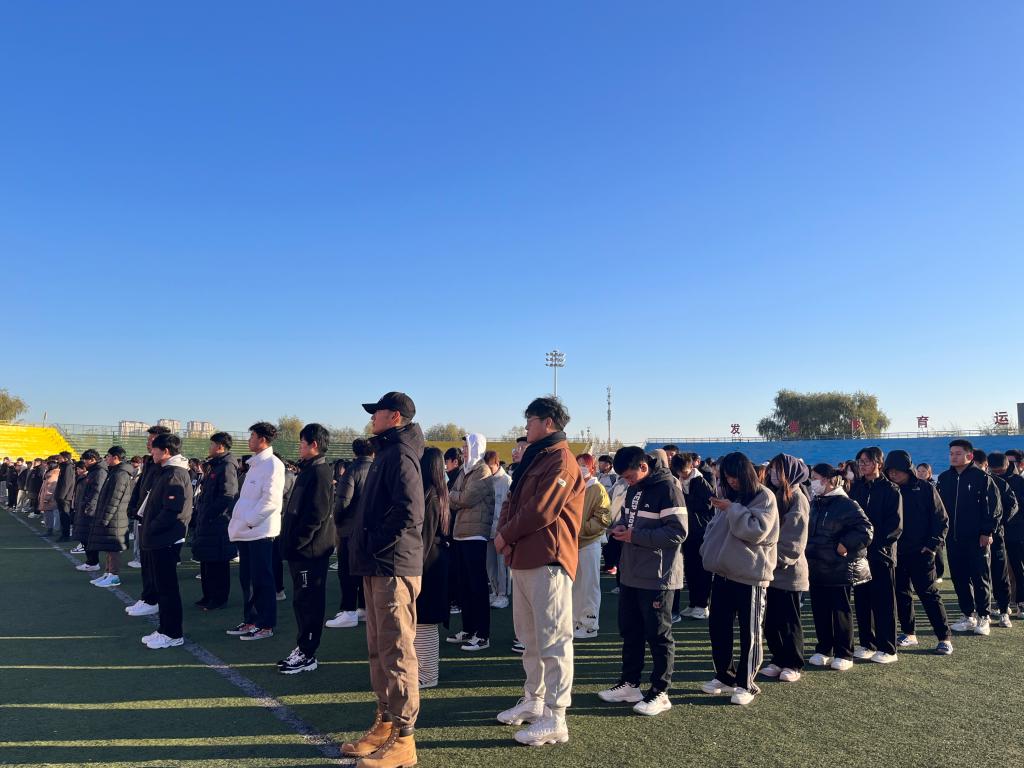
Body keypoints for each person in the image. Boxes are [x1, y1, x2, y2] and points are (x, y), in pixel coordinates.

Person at [493, 396, 584, 746]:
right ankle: (534, 699)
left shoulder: (561, 460)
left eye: (530, 420)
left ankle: (556, 717)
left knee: (554, 640)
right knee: (530, 639)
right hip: (524, 558)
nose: (525, 426)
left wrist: (505, 536)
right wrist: (505, 536)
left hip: (548, 560)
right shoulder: (536, 457)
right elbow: (512, 501)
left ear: (548, 422)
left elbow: (541, 510)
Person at [342, 392, 424, 768]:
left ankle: (404, 739)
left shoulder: (401, 453)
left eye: (377, 412)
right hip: (378, 565)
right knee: (379, 650)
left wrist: (374, 542)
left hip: (393, 566)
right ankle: (386, 723)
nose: (371, 417)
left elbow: (410, 511)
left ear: (394, 417)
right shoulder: (387, 451)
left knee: (396, 651)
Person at [597, 446, 685, 715]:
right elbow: (630, 519)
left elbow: (678, 532)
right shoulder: (634, 488)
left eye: (629, 476)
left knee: (658, 635)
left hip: (658, 576)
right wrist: (622, 527)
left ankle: (660, 691)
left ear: (644, 467)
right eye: (623, 477)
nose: (626, 481)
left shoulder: (669, 489)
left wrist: (634, 535)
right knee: (630, 630)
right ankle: (630, 683)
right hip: (631, 571)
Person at [698, 452, 778, 706]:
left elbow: (756, 531)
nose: (731, 481)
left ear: (746, 474)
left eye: (734, 476)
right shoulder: (730, 497)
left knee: (750, 633)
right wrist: (707, 547)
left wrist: (731, 508)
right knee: (718, 628)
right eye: (726, 477)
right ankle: (724, 675)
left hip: (750, 576)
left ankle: (746, 683)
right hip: (723, 573)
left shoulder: (764, 497)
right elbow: (715, 527)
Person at [278, 423, 336, 674]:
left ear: (314, 444)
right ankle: (303, 647)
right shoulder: (308, 470)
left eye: (302, 443)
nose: (299, 447)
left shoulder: (320, 472)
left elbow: (317, 514)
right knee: (301, 601)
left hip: (310, 552)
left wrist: (299, 542)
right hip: (301, 550)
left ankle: (308, 652)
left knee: (309, 602)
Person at [805, 463, 873, 671]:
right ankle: (824, 648)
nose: (812, 482)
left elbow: (866, 529)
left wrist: (845, 544)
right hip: (817, 566)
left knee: (840, 611)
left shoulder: (846, 504)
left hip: (839, 567)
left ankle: (844, 652)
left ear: (826, 480)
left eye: (815, 478)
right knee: (820, 610)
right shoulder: (816, 503)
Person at [883, 450, 952, 655]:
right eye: (890, 470)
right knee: (901, 594)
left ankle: (944, 638)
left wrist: (932, 545)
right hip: (895, 552)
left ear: (907, 469)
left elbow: (941, 519)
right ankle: (909, 633)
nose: (893, 474)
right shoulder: (888, 489)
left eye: (897, 470)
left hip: (921, 552)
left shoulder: (925, 488)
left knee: (929, 594)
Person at [226, 422, 286, 641]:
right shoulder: (256, 464)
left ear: (262, 439)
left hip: (260, 532)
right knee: (247, 579)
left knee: (262, 579)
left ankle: (266, 624)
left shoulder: (273, 465)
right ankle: (251, 620)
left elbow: (271, 501)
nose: (249, 440)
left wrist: (250, 521)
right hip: (247, 532)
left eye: (252, 436)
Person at [937, 439, 1001, 636]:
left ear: (969, 455)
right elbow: (939, 509)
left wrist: (987, 532)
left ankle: (984, 616)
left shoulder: (982, 478)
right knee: (959, 578)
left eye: (958, 453)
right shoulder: (945, 478)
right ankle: (968, 615)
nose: (953, 457)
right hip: (953, 539)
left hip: (977, 539)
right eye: (951, 453)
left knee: (980, 577)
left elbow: (993, 508)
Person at [138, 433, 193, 649]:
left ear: (166, 451)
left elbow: (172, 510)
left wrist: (152, 527)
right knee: (162, 588)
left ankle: (173, 633)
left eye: (155, 448)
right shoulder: (166, 471)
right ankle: (164, 629)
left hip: (165, 539)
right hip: (159, 538)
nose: (151, 451)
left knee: (168, 589)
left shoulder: (175, 473)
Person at [849, 447, 903, 664]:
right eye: (860, 462)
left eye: (867, 461)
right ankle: (867, 643)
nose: (862, 465)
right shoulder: (856, 488)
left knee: (884, 602)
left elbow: (895, 526)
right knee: (862, 600)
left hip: (882, 554)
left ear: (879, 463)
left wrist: (873, 544)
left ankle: (888, 648)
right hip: (859, 555)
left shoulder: (891, 489)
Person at [760, 454, 810, 683]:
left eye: (777, 470)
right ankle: (778, 658)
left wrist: (774, 560)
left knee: (789, 621)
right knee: (771, 621)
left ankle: (793, 663)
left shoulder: (797, 498)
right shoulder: (773, 495)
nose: (772, 474)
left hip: (788, 572)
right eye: (772, 469)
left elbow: (794, 541)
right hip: (770, 570)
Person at [446, 433, 495, 652]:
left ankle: (482, 635)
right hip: (460, 533)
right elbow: (453, 495)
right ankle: (468, 629)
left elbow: (464, 498)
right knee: (463, 585)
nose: (463, 451)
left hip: (475, 535)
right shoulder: (466, 471)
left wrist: (455, 496)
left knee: (477, 586)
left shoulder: (482, 471)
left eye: (466, 447)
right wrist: (456, 496)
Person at [124, 425, 172, 617]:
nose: (148, 443)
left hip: (154, 520)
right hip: (143, 516)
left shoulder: (166, 466)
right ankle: (147, 597)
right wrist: (133, 506)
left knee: (154, 564)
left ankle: (153, 599)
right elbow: (140, 487)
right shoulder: (149, 462)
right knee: (145, 560)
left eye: (152, 440)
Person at [326, 438, 373, 629]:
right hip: (370, 529)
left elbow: (342, 502)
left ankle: (349, 611)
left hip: (350, 530)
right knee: (363, 572)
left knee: (347, 571)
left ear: (354, 452)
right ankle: (363, 608)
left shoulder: (352, 471)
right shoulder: (378, 469)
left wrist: (338, 521)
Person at [415, 447, 451, 689]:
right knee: (424, 622)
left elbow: (425, 538)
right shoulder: (440, 493)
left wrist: (414, 569)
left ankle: (427, 675)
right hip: (436, 561)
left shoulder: (430, 497)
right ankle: (424, 671)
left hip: (429, 565)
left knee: (425, 622)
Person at [192, 432, 239, 611]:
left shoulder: (227, 466)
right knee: (207, 561)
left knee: (218, 563)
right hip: (207, 521)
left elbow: (228, 495)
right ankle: (208, 596)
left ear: (220, 446)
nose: (209, 447)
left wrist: (210, 514)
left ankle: (218, 599)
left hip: (218, 523)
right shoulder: (214, 465)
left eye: (212, 444)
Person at [672, 452, 714, 620]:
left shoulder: (701, 481)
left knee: (701, 569)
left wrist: (686, 504)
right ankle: (693, 603)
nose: (682, 475)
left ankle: (703, 605)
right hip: (688, 532)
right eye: (679, 472)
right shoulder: (679, 481)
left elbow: (708, 505)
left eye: (684, 471)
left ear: (691, 466)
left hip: (701, 531)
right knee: (690, 569)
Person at [980, 452, 1018, 627]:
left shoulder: (1001, 483)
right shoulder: (973, 482)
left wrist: (999, 524)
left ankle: (1004, 611)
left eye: (1000, 471)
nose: (997, 474)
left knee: (1000, 574)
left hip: (997, 535)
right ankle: (982, 612)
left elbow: (1012, 505)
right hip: (977, 537)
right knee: (980, 576)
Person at [87, 447, 133, 588]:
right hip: (112, 517)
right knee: (109, 547)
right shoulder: (114, 472)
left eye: (108, 456)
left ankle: (114, 575)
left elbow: (114, 499)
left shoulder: (120, 474)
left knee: (113, 548)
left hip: (115, 518)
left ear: (115, 457)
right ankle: (108, 573)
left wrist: (105, 518)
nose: (106, 458)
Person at [991, 452, 1024, 616]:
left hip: (1016, 533)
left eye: (1000, 471)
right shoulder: (987, 480)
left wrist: (1005, 521)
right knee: (997, 570)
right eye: (994, 471)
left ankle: (1021, 603)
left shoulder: (1019, 482)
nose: (997, 474)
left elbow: (1017, 506)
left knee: (1019, 569)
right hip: (995, 533)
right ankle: (1001, 602)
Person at [484, 449, 512, 609]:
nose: (488, 471)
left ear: (496, 463)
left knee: (502, 565)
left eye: (490, 467)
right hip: (487, 530)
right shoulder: (486, 480)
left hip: (501, 531)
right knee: (490, 564)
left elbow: (509, 508)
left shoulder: (507, 481)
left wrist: (505, 530)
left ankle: (503, 594)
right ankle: (494, 591)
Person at [72, 450, 107, 572]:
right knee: (85, 537)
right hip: (85, 508)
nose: (84, 462)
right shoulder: (93, 471)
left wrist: (88, 509)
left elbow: (96, 492)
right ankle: (91, 561)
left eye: (85, 460)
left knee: (89, 537)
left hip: (90, 511)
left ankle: (93, 562)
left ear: (92, 459)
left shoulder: (99, 472)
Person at [54, 451, 76, 541]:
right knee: (63, 516)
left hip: (65, 497)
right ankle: (64, 534)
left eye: (60, 458)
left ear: (65, 458)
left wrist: (61, 496)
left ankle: (65, 535)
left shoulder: (68, 467)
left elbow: (66, 483)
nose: (58, 459)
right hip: (63, 496)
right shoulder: (65, 466)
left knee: (65, 516)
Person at [38, 456, 60, 537]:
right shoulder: (50, 474)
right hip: (48, 498)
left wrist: (46, 498)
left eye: (47, 465)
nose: (46, 466)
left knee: (49, 515)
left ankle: (50, 530)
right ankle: (50, 529)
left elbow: (51, 488)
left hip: (50, 499)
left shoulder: (52, 475)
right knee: (48, 515)